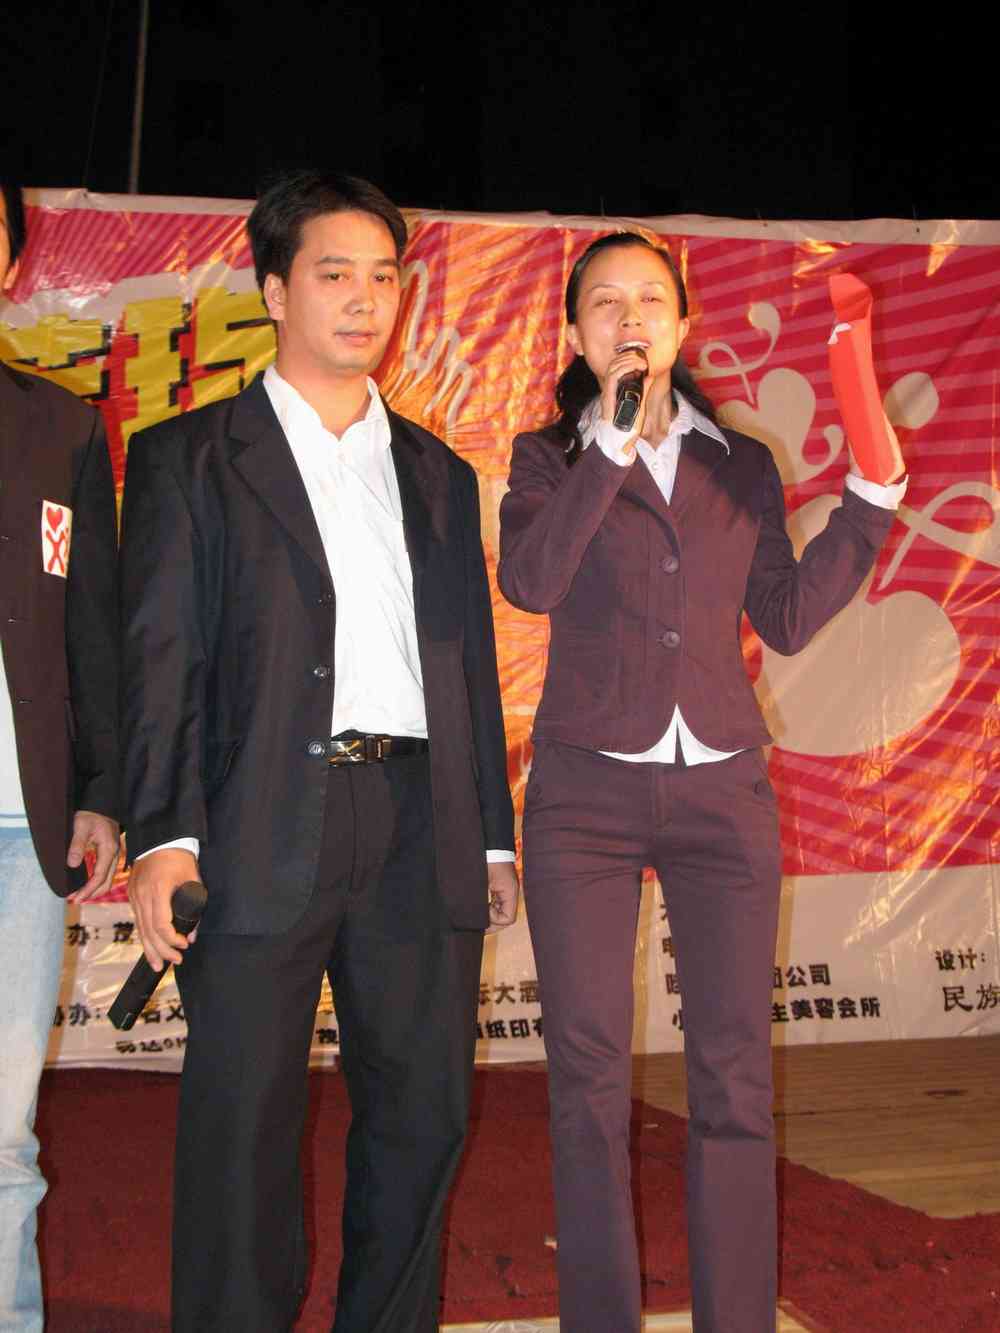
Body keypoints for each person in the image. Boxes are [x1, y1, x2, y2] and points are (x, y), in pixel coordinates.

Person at [119, 168, 518, 1333]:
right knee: (241, 1124)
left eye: (383, 277)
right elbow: (160, 658)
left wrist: (490, 837)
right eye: (334, 274)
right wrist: (163, 833)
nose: (363, 300)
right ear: (273, 290)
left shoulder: (438, 474)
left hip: (418, 820)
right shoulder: (191, 457)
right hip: (256, 817)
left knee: (423, 1115)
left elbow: (468, 669)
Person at [497, 231, 906, 1333]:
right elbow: (530, 580)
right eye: (604, 302)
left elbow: (785, 613)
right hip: (583, 798)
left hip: (723, 794)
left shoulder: (740, 463)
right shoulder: (548, 458)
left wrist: (869, 503)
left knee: (733, 1075)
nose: (628, 316)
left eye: (649, 298)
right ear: (575, 333)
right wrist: (611, 445)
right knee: (587, 1078)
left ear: (683, 323)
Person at [0, 182, 120, 1332]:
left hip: (15, 830)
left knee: (1, 1129)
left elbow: (94, 626)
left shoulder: (60, 428)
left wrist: (100, 791)